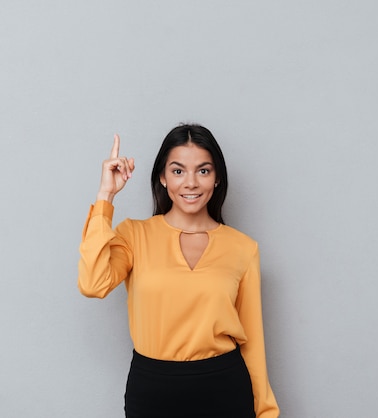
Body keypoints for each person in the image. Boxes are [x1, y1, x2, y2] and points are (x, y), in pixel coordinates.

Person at [78, 124, 280, 417]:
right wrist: (105, 196)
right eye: (177, 171)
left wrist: (265, 412)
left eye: (203, 170)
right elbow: (93, 284)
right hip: (152, 391)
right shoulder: (134, 235)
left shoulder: (242, 248)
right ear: (162, 177)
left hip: (225, 388)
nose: (190, 183)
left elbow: (253, 343)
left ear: (217, 178)